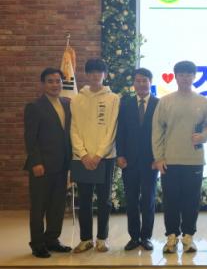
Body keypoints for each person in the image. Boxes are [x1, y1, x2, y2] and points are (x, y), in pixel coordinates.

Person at [152, 60, 207, 254]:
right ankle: (171, 237)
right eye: (181, 75)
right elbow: (157, 130)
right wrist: (159, 157)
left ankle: (188, 237)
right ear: (176, 77)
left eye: (189, 75)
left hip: (194, 159)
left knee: (191, 201)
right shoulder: (165, 101)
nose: (185, 78)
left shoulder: (203, 101)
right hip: (170, 160)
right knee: (170, 201)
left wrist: (203, 136)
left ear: (194, 77)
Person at [70, 58, 120, 253]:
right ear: (86, 74)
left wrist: (99, 154)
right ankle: (85, 239)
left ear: (104, 75)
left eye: (99, 72)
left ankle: (102, 238)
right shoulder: (77, 99)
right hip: (82, 158)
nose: (95, 76)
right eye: (91, 72)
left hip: (105, 158)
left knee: (104, 200)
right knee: (84, 200)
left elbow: (112, 129)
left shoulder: (113, 98)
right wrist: (83, 154)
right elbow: (74, 128)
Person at [23, 67, 73, 258]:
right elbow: (30, 137)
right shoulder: (34, 107)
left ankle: (52, 239)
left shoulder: (67, 104)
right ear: (43, 84)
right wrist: (36, 162)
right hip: (42, 166)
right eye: (50, 81)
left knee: (57, 206)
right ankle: (37, 244)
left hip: (62, 165)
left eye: (58, 81)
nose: (55, 85)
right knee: (39, 207)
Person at [116, 68, 159, 251]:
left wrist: (158, 158)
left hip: (151, 162)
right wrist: (120, 154)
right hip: (129, 161)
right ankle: (134, 237)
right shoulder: (125, 104)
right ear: (133, 83)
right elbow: (120, 132)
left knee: (148, 200)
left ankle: (146, 237)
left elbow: (162, 133)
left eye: (145, 80)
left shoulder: (159, 104)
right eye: (138, 81)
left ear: (150, 82)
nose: (141, 84)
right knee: (131, 200)